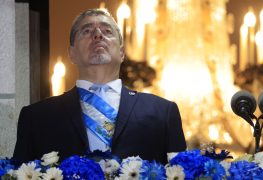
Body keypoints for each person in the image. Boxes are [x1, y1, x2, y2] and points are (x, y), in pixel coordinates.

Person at [13, 9, 186, 164]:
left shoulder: (163, 112)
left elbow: (179, 174)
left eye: (107, 31)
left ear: (121, 52)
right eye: (86, 31)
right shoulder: (36, 117)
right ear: (71, 53)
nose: (97, 35)